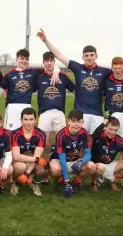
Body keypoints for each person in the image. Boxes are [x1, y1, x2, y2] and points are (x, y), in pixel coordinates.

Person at [37, 29, 113, 135]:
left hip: (97, 114)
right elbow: (59, 56)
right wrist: (45, 40)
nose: (89, 58)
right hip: (80, 113)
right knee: (79, 144)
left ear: (96, 56)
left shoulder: (104, 71)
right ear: (83, 57)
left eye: (92, 55)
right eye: (86, 55)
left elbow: (120, 76)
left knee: (96, 144)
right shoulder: (78, 68)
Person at [34, 51, 75, 183]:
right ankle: (45, 172)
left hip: (59, 113)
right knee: (45, 143)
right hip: (44, 113)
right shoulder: (40, 77)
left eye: (51, 60)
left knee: (61, 142)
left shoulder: (62, 76)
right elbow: (28, 89)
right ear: (43, 62)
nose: (49, 62)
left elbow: (75, 90)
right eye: (47, 60)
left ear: (54, 62)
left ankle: (61, 172)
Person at [0, 48, 59, 131]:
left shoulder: (33, 72)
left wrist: (56, 71)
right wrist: (3, 92)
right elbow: (0, 89)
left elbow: (50, 68)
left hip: (26, 105)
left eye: (26, 59)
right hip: (12, 107)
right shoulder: (9, 74)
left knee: (27, 132)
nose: (24, 61)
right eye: (22, 58)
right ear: (17, 59)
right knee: (10, 132)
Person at [49, 109, 95, 198]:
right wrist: (66, 181)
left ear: (82, 122)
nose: (76, 124)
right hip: (59, 160)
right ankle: (61, 181)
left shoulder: (84, 133)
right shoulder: (61, 134)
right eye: (73, 121)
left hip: (74, 160)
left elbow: (88, 154)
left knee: (92, 167)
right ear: (68, 121)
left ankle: (76, 182)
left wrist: (81, 162)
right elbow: (62, 159)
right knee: (54, 169)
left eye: (79, 121)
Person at [90, 117, 123, 192]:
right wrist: (105, 121)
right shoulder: (99, 135)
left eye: (115, 130)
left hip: (109, 165)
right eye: (110, 129)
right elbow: (94, 136)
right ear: (105, 127)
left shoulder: (119, 140)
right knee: (100, 167)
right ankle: (94, 181)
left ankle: (110, 180)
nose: (112, 132)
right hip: (96, 165)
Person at [10, 108, 50, 196]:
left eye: (31, 119)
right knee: (19, 167)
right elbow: (16, 156)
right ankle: (15, 183)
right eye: (25, 119)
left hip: (33, 162)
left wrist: (26, 174)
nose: (28, 122)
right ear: (21, 120)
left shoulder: (41, 134)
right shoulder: (14, 134)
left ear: (35, 120)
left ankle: (35, 184)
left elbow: (37, 156)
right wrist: (36, 160)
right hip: (20, 162)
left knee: (43, 169)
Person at [104, 57, 123, 156]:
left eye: (119, 68)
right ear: (112, 68)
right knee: (107, 149)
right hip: (111, 119)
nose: (117, 71)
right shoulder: (107, 82)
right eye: (115, 68)